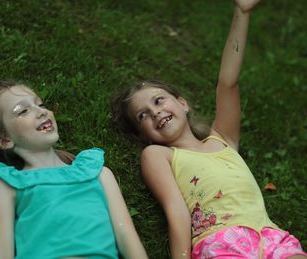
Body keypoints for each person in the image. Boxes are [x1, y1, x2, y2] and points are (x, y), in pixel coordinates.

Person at [111, 0, 307, 258]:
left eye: (159, 100)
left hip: (271, 237)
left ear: (183, 103)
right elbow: (176, 210)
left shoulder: (223, 138)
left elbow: (228, 82)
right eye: (143, 115)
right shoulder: (159, 155)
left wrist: (242, 12)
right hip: (221, 241)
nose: (155, 111)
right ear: (143, 134)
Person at [0, 80, 148, 259]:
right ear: (5, 140)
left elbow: (127, 236)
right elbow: (2, 253)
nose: (41, 111)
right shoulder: (9, 184)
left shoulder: (98, 173)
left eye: (41, 104)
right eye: (23, 111)